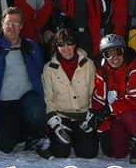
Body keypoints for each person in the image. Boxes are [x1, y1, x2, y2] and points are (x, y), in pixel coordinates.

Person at [0, 7, 52, 158]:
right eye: (9, 23)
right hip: (3, 103)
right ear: (2, 24)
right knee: (6, 147)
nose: (12, 27)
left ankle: (36, 137)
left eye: (16, 23)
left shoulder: (31, 47)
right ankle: (19, 132)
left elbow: (42, 76)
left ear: (21, 26)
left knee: (35, 107)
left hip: (27, 99)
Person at [85, 34, 136, 163]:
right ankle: (125, 137)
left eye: (118, 52)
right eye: (109, 54)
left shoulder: (134, 70)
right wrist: (103, 130)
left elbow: (134, 102)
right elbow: (98, 102)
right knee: (116, 153)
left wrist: (108, 109)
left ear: (123, 52)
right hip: (115, 115)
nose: (114, 58)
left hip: (135, 111)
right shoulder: (102, 73)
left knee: (129, 116)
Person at [41, 28, 98, 159]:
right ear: (56, 46)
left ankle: (79, 137)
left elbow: (94, 91)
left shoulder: (88, 64)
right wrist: (54, 122)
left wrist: (91, 113)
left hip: (83, 116)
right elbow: (48, 97)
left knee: (88, 153)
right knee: (61, 153)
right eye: (61, 44)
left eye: (69, 43)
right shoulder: (49, 68)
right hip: (61, 116)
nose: (65, 48)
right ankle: (55, 137)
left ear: (75, 44)